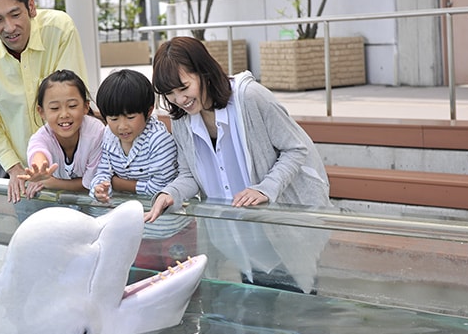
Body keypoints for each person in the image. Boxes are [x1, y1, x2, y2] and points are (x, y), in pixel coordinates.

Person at [144, 36, 332, 223]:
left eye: (184, 88)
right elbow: (189, 174)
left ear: (204, 73)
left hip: (288, 224)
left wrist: (266, 188)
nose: (179, 100)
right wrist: (171, 193)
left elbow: (295, 148)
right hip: (232, 230)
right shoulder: (181, 119)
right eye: (169, 93)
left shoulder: (251, 97)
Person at [0, 0, 88, 204]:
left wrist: (51, 172)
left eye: (15, 14)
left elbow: (72, 102)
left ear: (31, 7)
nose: (9, 28)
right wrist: (13, 167)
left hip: (70, 167)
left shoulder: (60, 29)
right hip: (16, 169)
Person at [89, 69, 178, 203]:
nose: (122, 126)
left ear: (148, 111)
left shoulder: (159, 140)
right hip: (126, 212)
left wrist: (118, 184)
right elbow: (102, 171)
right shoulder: (108, 134)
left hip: (161, 218)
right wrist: (99, 188)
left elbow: (162, 187)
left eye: (130, 117)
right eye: (114, 119)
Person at [18, 69, 104, 199]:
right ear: (41, 112)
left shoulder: (96, 132)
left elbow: (92, 183)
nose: (64, 114)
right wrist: (41, 171)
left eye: (72, 105)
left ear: (86, 106)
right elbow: (38, 153)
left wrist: (53, 183)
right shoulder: (40, 137)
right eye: (54, 108)